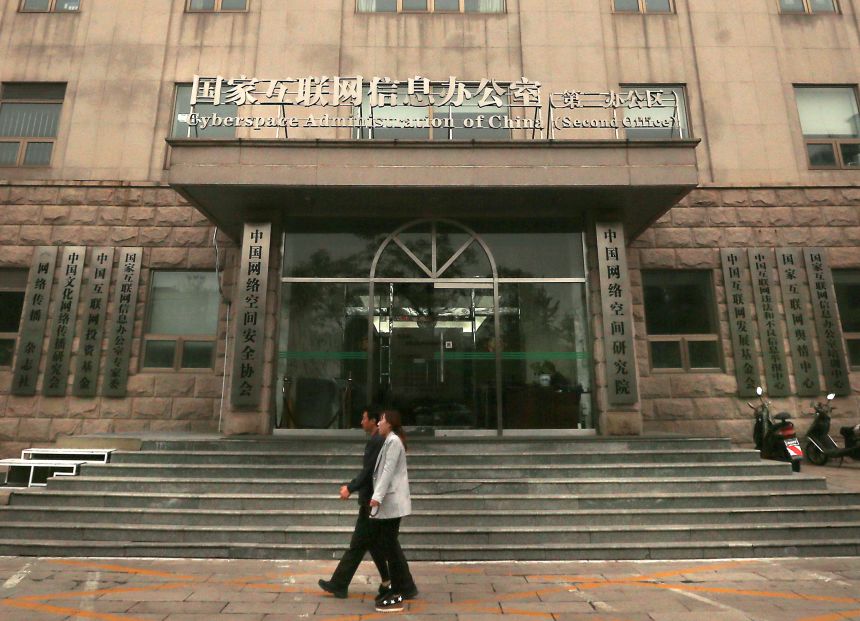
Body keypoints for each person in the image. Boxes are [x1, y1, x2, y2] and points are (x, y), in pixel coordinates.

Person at [318, 406, 391, 599]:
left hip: (371, 501)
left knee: (358, 545)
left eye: (363, 418)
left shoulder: (377, 441)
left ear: (374, 421)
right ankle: (389, 582)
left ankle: (339, 584)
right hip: (371, 501)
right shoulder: (376, 441)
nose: (361, 422)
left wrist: (351, 488)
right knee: (372, 545)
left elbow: (369, 472)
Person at [369, 410, 419, 613]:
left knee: (389, 547)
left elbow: (388, 471)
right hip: (389, 502)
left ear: (390, 423)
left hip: (391, 502)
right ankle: (402, 588)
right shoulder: (390, 441)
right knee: (389, 546)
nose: (379, 423)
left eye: (381, 420)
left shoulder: (394, 442)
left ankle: (397, 592)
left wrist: (377, 497)